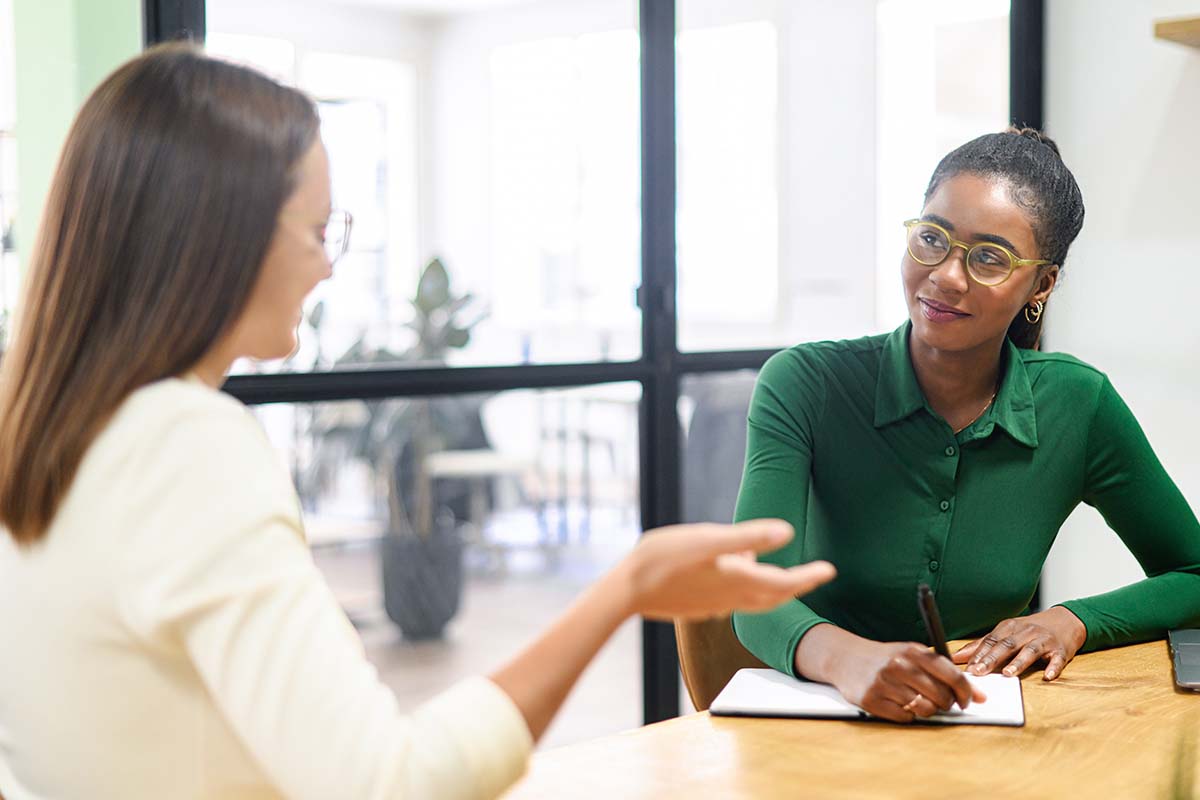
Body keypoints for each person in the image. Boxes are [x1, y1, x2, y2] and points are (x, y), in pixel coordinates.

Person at [0, 45, 836, 800]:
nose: (330, 265)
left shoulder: (47, 429)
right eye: (320, 230)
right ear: (218, 237)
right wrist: (623, 591)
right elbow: (392, 783)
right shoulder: (186, 445)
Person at [732, 127, 1200, 723]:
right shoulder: (806, 383)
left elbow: (1195, 573)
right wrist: (850, 662)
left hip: (985, 717)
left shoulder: (1078, 404)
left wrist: (1073, 619)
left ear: (1042, 284)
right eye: (932, 239)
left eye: (989, 258)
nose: (948, 276)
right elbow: (754, 591)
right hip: (822, 713)